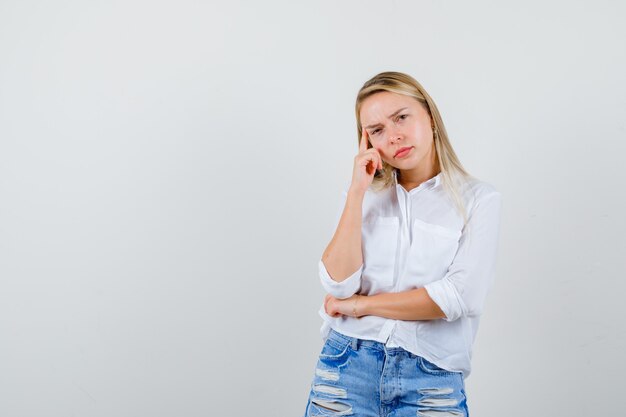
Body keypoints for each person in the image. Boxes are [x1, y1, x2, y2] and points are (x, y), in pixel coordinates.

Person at [302, 72, 502, 417]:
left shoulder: (478, 199)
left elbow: (459, 297)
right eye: (377, 130)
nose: (394, 136)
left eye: (402, 117)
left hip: (431, 378)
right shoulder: (362, 197)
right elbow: (338, 283)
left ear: (430, 117)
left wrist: (358, 306)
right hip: (345, 367)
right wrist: (356, 192)